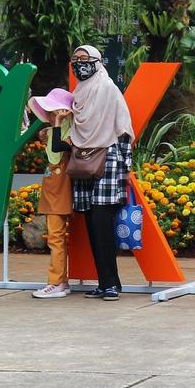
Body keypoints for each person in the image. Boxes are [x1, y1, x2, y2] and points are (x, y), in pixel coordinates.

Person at [56, 45, 132, 301]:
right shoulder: (78, 94)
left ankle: (112, 284)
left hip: (108, 160)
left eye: (85, 59)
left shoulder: (108, 89)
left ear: (98, 62)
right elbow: (69, 135)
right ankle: (103, 282)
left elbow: (122, 129)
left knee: (102, 224)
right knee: (91, 225)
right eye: (75, 59)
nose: (80, 64)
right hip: (83, 162)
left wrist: (126, 170)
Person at [27, 88, 75, 299]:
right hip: (53, 186)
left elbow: (56, 153)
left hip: (60, 188)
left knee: (55, 237)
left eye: (55, 111)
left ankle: (55, 282)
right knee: (56, 236)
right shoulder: (59, 131)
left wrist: (55, 126)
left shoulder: (69, 133)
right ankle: (60, 281)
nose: (51, 114)